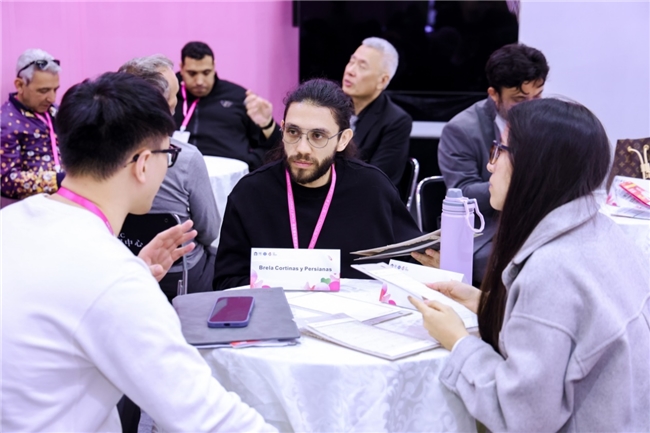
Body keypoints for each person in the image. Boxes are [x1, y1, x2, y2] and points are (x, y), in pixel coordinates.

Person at [1, 72, 275, 432]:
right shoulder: (113, 278)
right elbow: (205, 416)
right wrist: (130, 280)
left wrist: (136, 271)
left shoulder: (13, 220)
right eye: (168, 153)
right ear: (144, 163)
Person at [410, 98, 650, 432]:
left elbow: (522, 416)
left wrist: (458, 340)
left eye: (499, 150)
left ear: (534, 165)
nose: (490, 166)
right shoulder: (602, 231)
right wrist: (489, 305)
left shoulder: (552, 269)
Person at [213, 78, 421, 290]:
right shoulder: (250, 194)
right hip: (275, 309)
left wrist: (433, 262)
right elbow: (225, 282)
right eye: (293, 132)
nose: (302, 148)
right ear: (282, 130)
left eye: (318, 136)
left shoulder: (372, 190)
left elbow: (411, 265)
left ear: (342, 140)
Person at [433, 43, 549, 284]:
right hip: (483, 228)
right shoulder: (462, 129)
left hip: (535, 220)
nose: (531, 106)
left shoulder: (545, 124)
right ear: (494, 94)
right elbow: (463, 191)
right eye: (519, 99)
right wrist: (519, 182)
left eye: (537, 96)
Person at [119, 54, 219, 299]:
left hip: (121, 264)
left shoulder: (100, 154)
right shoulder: (184, 158)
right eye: (174, 94)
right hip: (179, 275)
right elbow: (209, 231)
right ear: (163, 106)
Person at [173, 41, 280, 171]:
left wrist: (268, 124)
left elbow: (276, 144)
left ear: (214, 66)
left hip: (233, 178)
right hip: (177, 175)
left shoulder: (239, 97)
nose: (199, 81)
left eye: (206, 72)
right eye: (192, 73)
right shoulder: (168, 97)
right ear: (181, 68)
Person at [342, 37, 412, 187]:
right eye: (351, 61)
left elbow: (378, 180)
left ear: (382, 80)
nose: (350, 71)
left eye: (362, 66)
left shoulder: (396, 121)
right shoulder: (331, 108)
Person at [1, 48, 63, 200]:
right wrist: (57, 180)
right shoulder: (5, 122)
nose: (52, 98)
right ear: (20, 85)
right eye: (43, 91)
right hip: (30, 209)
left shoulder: (55, 111)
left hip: (66, 201)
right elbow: (6, 180)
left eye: (55, 90)